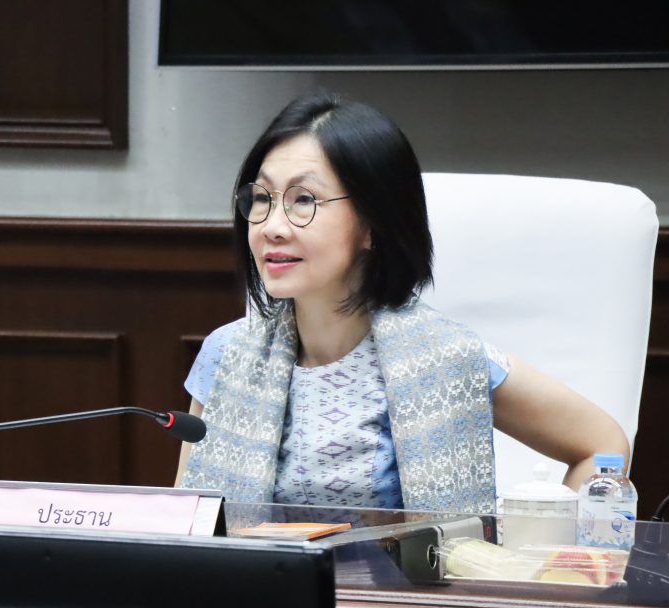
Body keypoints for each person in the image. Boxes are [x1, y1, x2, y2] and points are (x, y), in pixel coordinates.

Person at [175, 92, 629, 513]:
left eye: (304, 200)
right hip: (257, 576)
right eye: (262, 198)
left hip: (401, 579)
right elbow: (189, 524)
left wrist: (549, 555)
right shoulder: (226, 355)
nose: (272, 226)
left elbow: (601, 445)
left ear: (373, 223)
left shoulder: (446, 359)